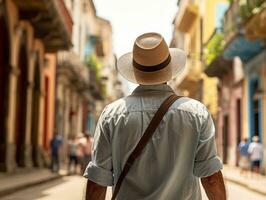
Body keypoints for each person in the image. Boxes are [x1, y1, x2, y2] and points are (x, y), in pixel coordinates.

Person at [84, 32, 226, 200]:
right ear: (170, 70)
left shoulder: (112, 115)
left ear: (135, 72)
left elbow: (97, 182)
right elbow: (211, 178)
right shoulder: (196, 113)